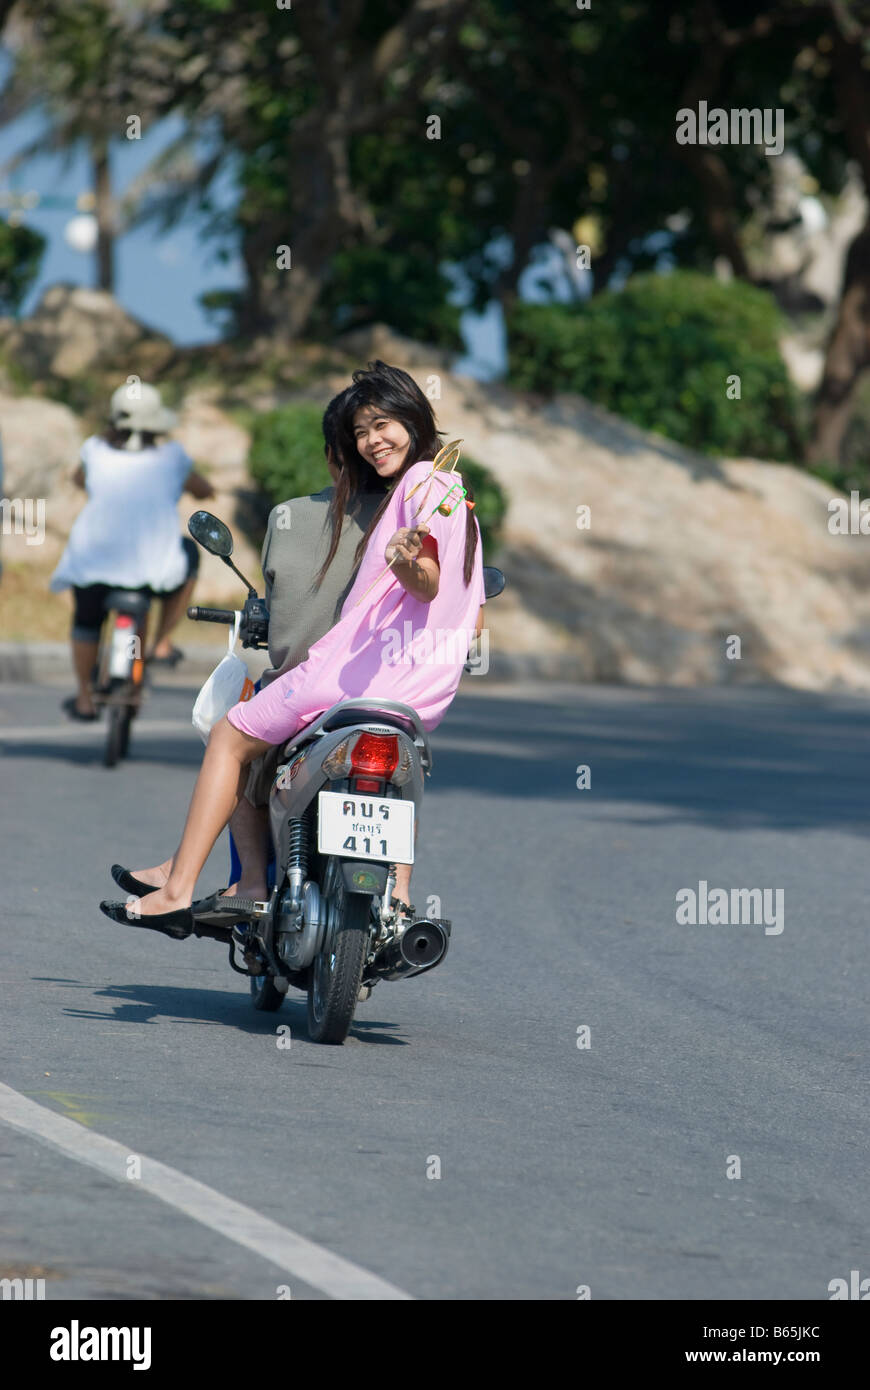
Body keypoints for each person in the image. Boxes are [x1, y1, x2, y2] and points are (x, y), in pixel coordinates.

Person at [100, 360, 486, 937]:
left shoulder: (419, 486)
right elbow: (469, 615)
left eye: (382, 424)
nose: (371, 441)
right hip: (422, 693)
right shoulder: (456, 494)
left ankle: (179, 890)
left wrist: (406, 562)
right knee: (402, 778)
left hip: (356, 677)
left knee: (230, 735)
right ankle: (397, 899)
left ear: (414, 418)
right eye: (360, 432)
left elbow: (426, 577)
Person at [50, 382, 215, 720]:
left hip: (92, 563)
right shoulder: (172, 457)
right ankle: (162, 641)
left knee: (86, 623)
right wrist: (203, 491)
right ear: (156, 423)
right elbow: (202, 489)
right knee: (190, 553)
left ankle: (83, 697)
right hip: (152, 569)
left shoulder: (94, 450)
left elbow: (79, 479)